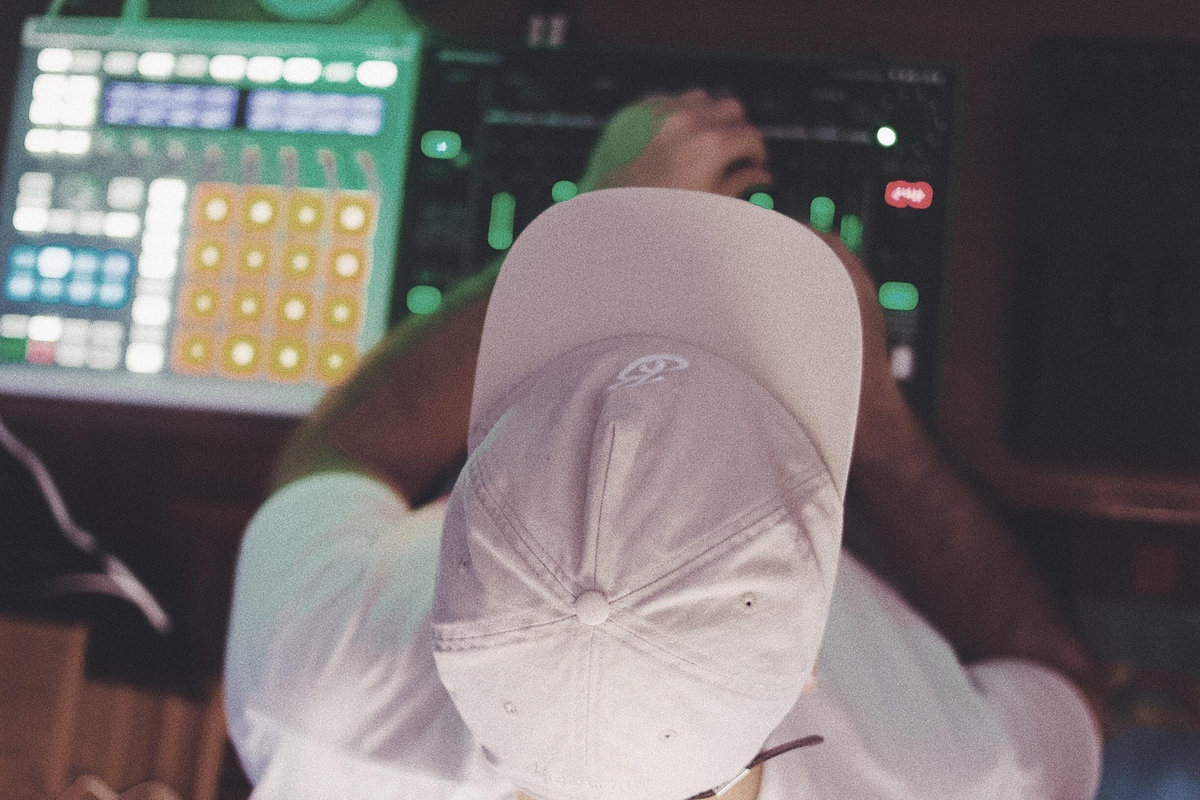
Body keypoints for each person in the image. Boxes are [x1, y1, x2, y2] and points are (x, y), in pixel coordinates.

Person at [223, 90, 1107, 799]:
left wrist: (604, 215)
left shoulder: (312, 709)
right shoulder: (954, 778)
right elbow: (1064, 694)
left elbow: (336, 460)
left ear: (450, 619)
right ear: (803, 668)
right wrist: (882, 431)